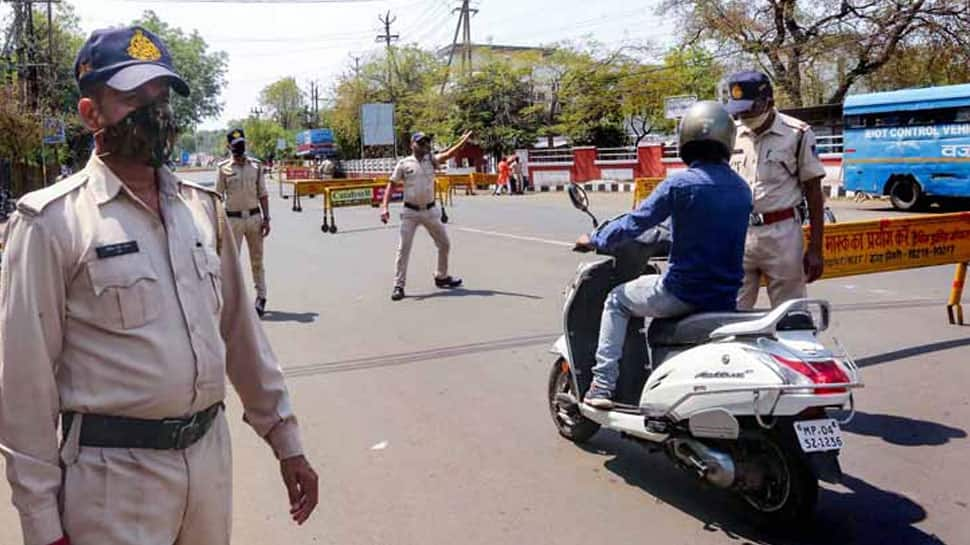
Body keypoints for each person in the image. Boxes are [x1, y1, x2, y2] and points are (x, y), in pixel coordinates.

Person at [0, 26, 318, 545]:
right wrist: (40, 522)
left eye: (161, 96)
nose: (154, 112)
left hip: (208, 462)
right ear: (91, 113)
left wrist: (287, 441)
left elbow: (242, 337)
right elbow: (23, 390)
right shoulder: (51, 223)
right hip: (112, 481)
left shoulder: (200, 210)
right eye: (132, 98)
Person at [574, 101, 752, 409]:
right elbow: (687, 228)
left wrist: (596, 238)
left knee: (616, 300)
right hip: (724, 297)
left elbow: (636, 222)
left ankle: (601, 387)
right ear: (728, 140)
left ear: (686, 139)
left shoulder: (679, 184)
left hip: (681, 293)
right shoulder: (741, 188)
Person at [724, 70, 828, 309]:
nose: (743, 114)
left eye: (749, 108)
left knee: (789, 314)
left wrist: (815, 248)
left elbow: (813, 191)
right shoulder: (731, 135)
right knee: (731, 313)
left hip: (782, 235)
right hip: (739, 235)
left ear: (768, 102)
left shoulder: (797, 133)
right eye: (738, 110)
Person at [380, 131, 473, 301]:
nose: (424, 145)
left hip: (430, 211)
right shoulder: (403, 164)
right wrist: (384, 206)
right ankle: (398, 285)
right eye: (420, 142)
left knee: (444, 244)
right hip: (410, 212)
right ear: (412, 145)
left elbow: (450, 153)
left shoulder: (432, 160)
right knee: (403, 248)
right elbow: (391, 185)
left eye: (426, 142)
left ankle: (441, 276)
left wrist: (463, 142)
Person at [216, 128, 271, 317]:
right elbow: (217, 197)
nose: (240, 150)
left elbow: (263, 194)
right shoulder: (223, 168)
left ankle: (261, 297)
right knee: (231, 262)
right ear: (229, 147)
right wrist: (218, 224)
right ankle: (233, 301)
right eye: (236, 147)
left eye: (242, 146)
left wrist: (267, 218)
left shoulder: (256, 167)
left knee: (257, 260)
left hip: (254, 219)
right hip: (233, 220)